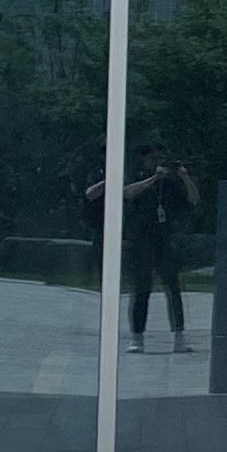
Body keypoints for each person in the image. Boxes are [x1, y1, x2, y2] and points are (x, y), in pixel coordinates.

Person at [91, 143, 195, 355]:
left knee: (173, 289)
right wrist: (154, 178)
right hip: (140, 241)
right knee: (141, 290)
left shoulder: (170, 184)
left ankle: (179, 337)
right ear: (145, 160)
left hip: (164, 240)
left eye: (160, 159)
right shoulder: (137, 176)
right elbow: (127, 193)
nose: (157, 163)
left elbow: (193, 199)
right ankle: (137, 337)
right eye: (153, 159)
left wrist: (184, 177)